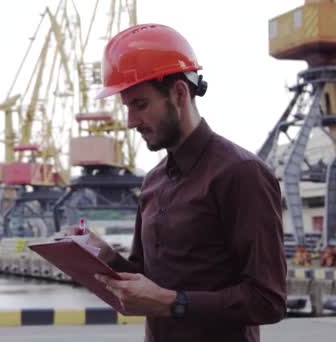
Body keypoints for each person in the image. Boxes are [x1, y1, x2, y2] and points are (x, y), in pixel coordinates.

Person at [89, 23, 287, 342]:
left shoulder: (242, 173)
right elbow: (146, 276)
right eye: (127, 108)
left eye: (140, 105)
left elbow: (268, 301)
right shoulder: (153, 182)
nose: (130, 122)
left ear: (179, 93)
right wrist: (101, 255)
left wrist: (173, 303)